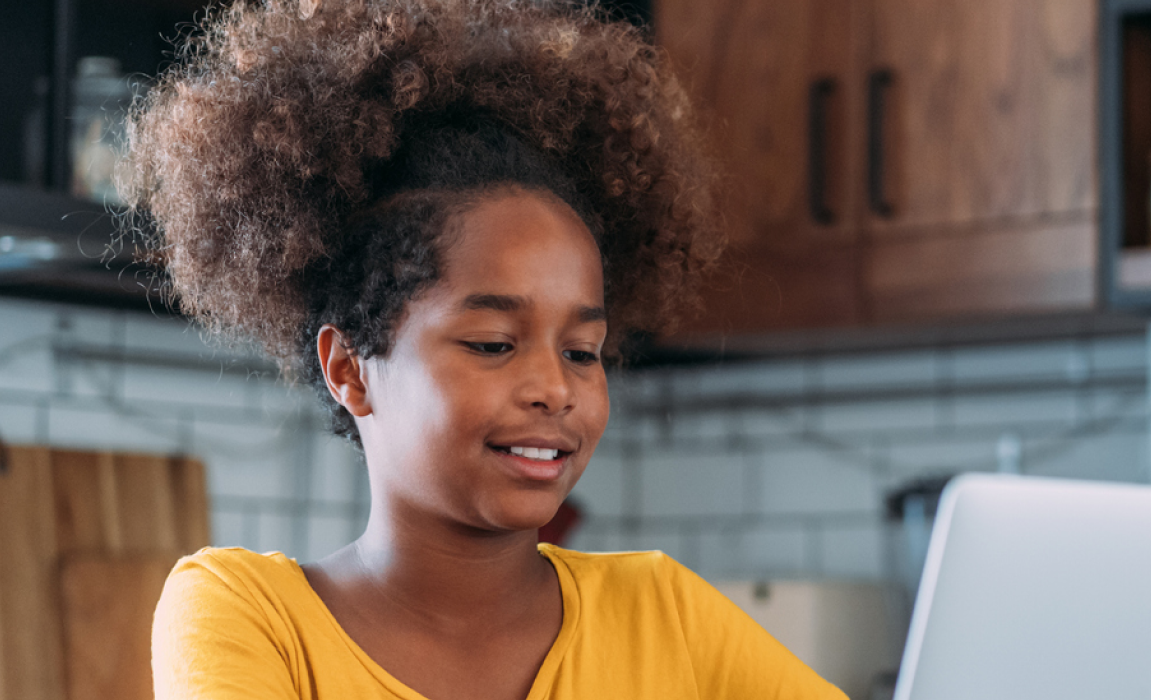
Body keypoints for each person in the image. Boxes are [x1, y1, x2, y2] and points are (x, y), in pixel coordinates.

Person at [124, 1, 847, 698]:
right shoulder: (246, 613)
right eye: (494, 343)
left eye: (582, 351)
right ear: (349, 368)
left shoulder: (664, 613)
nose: (554, 389)